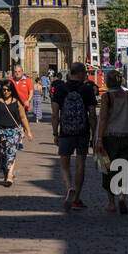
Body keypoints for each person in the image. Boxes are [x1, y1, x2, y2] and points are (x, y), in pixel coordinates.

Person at [53, 62, 97, 210]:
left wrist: (55, 133)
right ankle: (77, 198)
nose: (86, 75)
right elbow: (92, 115)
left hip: (66, 132)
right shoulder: (87, 90)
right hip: (82, 132)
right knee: (80, 164)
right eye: (85, 72)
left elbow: (54, 114)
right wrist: (94, 133)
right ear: (80, 73)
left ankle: (68, 186)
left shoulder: (59, 89)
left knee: (64, 164)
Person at [95, 70, 128, 214]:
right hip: (127, 135)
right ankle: (122, 196)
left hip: (110, 137)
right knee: (123, 167)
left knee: (107, 168)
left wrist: (99, 139)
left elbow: (104, 118)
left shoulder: (107, 96)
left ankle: (111, 202)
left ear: (108, 81)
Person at [0, 79, 32, 187]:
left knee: (11, 153)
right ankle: (6, 173)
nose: (6, 92)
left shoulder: (17, 102)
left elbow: (23, 117)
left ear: (12, 90)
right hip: (0, 131)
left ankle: (10, 176)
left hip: (14, 131)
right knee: (3, 154)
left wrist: (29, 132)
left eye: (8, 90)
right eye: (4, 90)